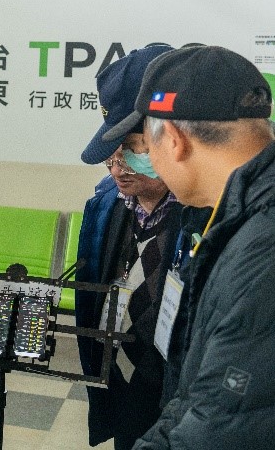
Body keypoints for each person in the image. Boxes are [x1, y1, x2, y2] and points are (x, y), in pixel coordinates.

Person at [102, 45, 275, 450]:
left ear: (174, 141)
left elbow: (222, 424)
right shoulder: (234, 218)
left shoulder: (261, 245)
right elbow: (200, 391)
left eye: (144, 148)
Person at [75, 45, 183, 450]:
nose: (118, 166)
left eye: (133, 147)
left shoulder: (206, 217)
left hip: (175, 399)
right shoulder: (106, 203)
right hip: (118, 383)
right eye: (112, 153)